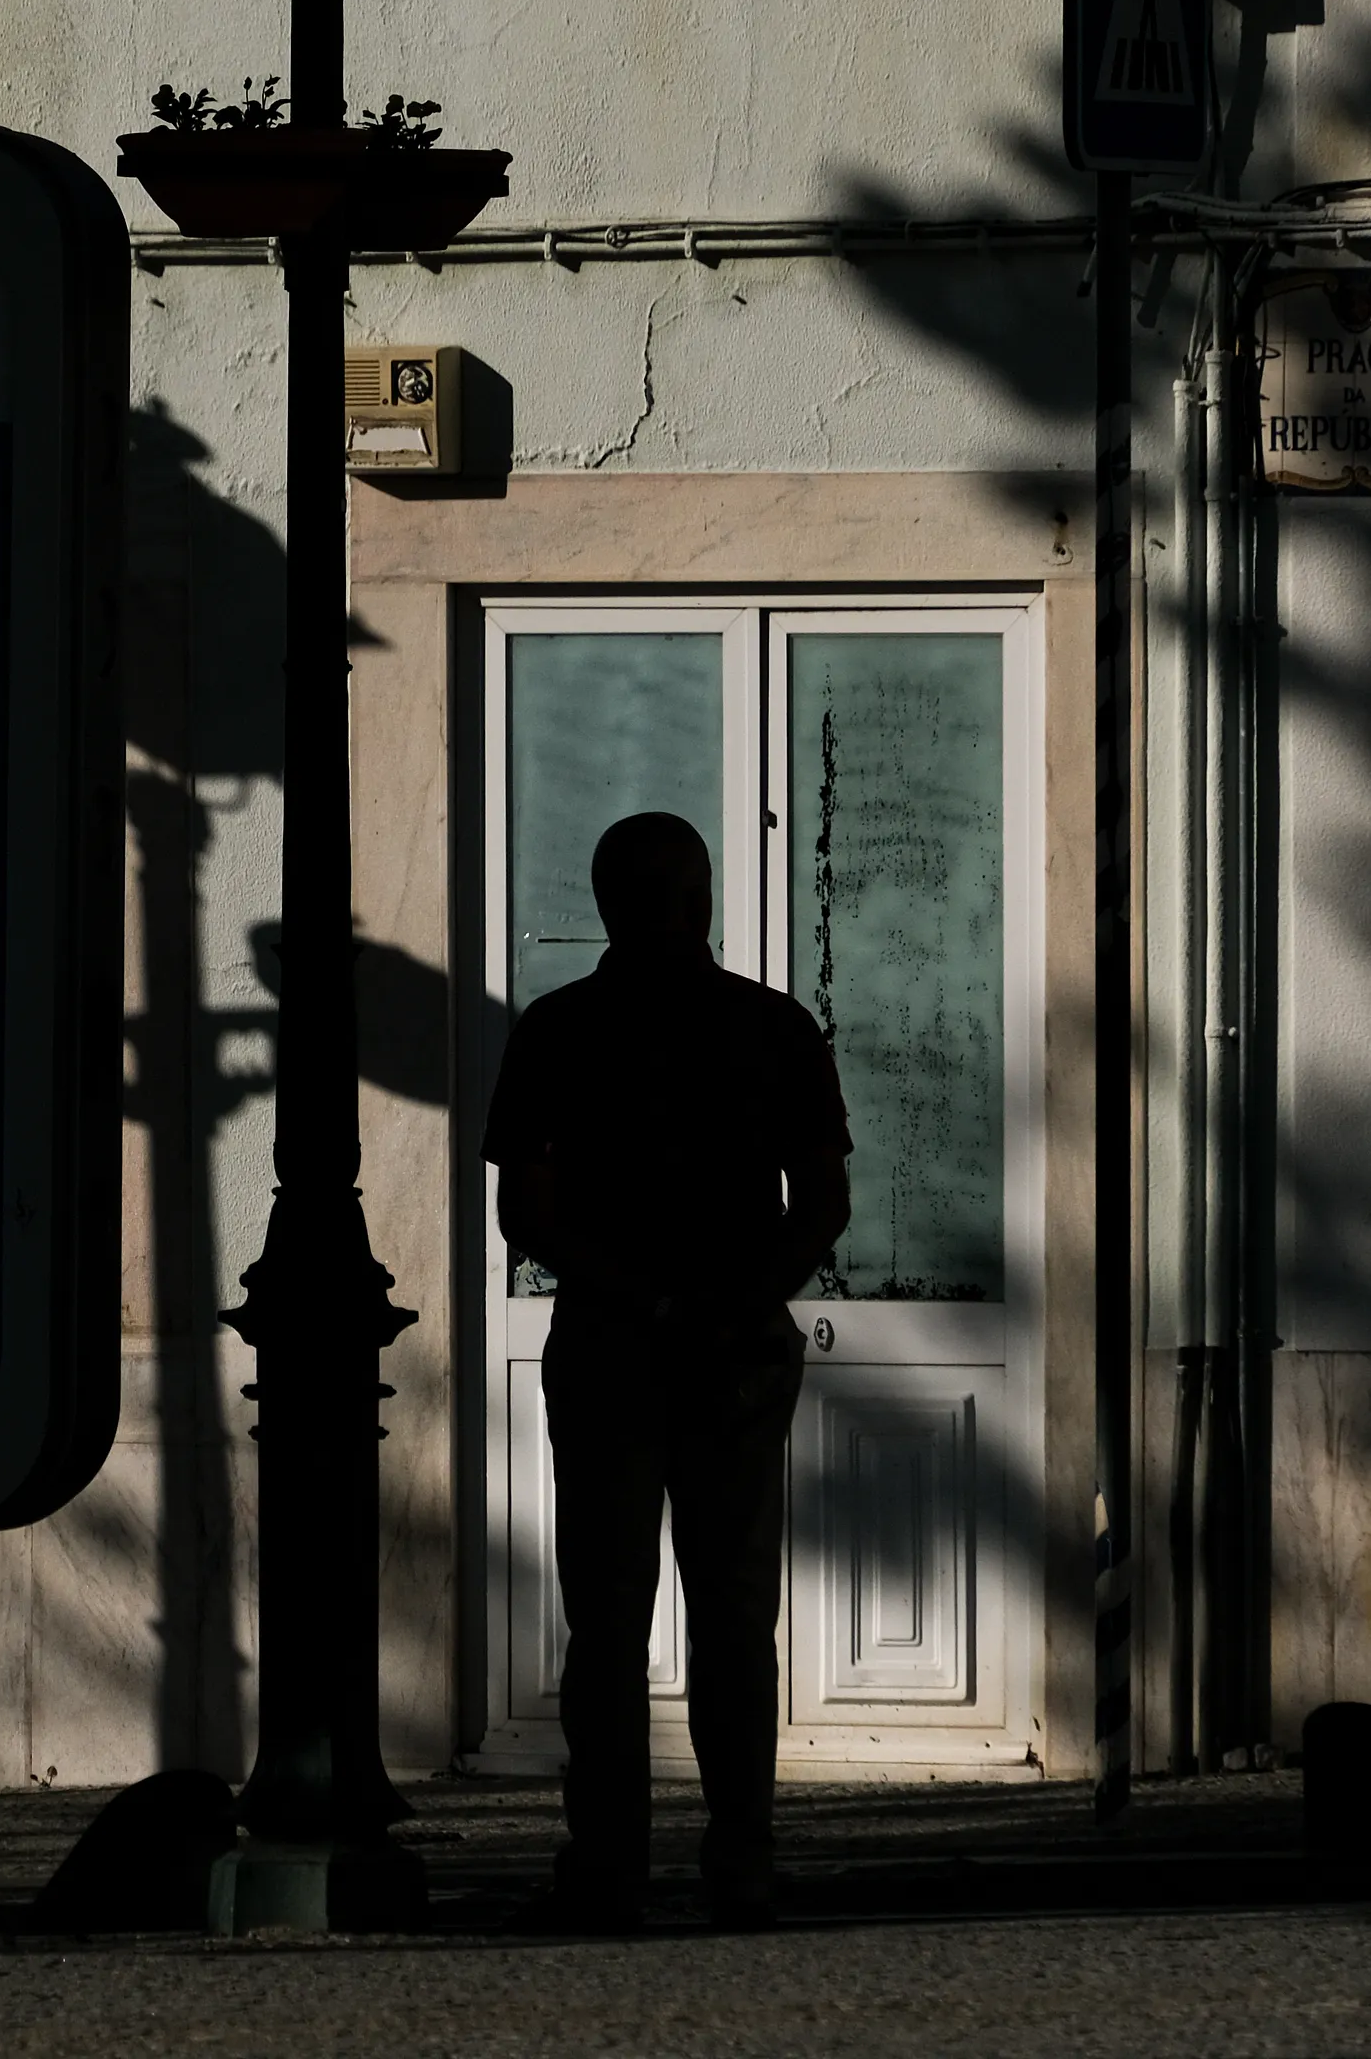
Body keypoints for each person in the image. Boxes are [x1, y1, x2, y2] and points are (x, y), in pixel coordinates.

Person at [481, 809, 853, 1931]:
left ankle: (609, 1864)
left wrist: (640, 1295)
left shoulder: (557, 1029)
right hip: (734, 1353)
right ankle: (739, 1860)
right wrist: (737, 1298)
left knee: (607, 1618)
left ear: (603, 905)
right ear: (704, 900)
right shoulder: (774, 1027)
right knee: (735, 1614)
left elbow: (524, 1210)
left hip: (609, 1347)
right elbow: (824, 1205)